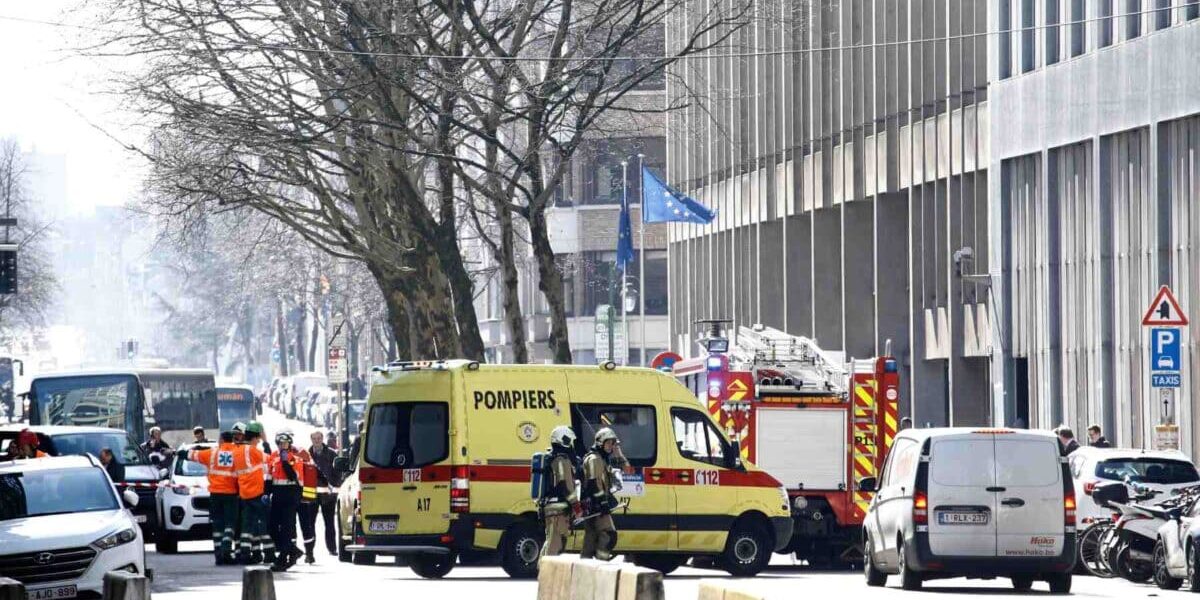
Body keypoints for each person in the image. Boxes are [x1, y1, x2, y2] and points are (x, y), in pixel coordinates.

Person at [187, 432, 240, 565]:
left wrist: (179, 452)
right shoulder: (237, 453)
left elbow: (191, 455)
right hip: (231, 494)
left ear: (221, 440)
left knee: (217, 524)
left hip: (215, 494)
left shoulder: (211, 453)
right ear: (232, 440)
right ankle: (226, 550)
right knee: (230, 523)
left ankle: (218, 555)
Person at [580, 428, 623, 561]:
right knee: (609, 534)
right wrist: (602, 503)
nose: (611, 446)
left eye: (613, 443)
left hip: (592, 504)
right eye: (609, 443)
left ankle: (585, 565)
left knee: (591, 537)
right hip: (595, 504)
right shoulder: (595, 459)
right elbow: (594, 482)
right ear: (600, 443)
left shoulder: (601, 458)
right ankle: (601, 564)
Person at [267, 430, 307, 572]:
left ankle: (283, 558)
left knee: (286, 528)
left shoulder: (295, 458)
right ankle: (292, 550)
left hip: (291, 494)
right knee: (271, 527)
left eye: (285, 443)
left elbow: (293, 476)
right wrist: (266, 493)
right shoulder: (273, 456)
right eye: (280, 443)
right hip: (277, 494)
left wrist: (285, 461)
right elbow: (269, 476)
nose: (282, 446)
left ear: (289, 444)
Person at [540, 426, 580, 559]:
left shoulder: (553, 457)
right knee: (555, 545)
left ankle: (543, 570)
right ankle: (546, 575)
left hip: (552, 507)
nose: (571, 446)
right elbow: (565, 484)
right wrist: (576, 506)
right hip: (558, 510)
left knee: (550, 541)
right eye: (570, 441)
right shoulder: (562, 460)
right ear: (563, 441)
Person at [301, 431, 341, 559]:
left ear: (322, 439)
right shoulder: (306, 455)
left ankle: (332, 548)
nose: (317, 441)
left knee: (329, 523)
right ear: (311, 439)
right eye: (314, 438)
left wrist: (334, 486)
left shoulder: (331, 454)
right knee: (310, 524)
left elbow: (337, 473)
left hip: (327, 494)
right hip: (310, 494)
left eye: (319, 438)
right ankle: (309, 552)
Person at [237, 421, 272, 565]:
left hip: (245, 494)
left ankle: (246, 553)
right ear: (255, 437)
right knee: (263, 524)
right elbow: (270, 459)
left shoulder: (237, 451)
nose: (258, 441)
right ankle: (269, 553)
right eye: (258, 439)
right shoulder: (253, 451)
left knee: (247, 526)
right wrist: (266, 442)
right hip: (257, 493)